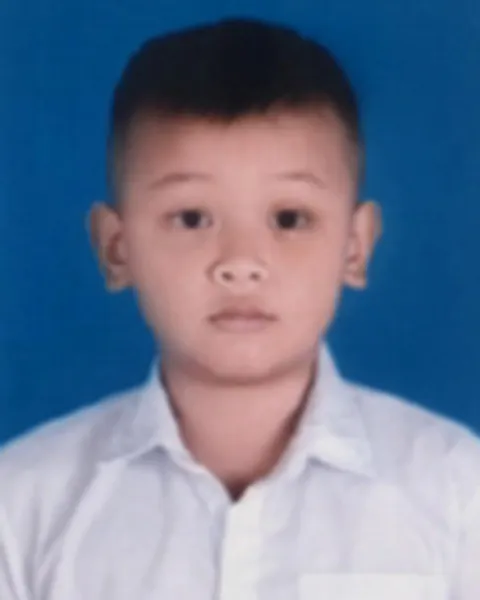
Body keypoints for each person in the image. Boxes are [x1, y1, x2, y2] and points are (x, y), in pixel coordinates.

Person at [0, 16, 479, 600]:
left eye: (290, 218)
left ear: (355, 247)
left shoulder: (457, 493)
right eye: (192, 218)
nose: (242, 263)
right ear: (116, 249)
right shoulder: (22, 507)